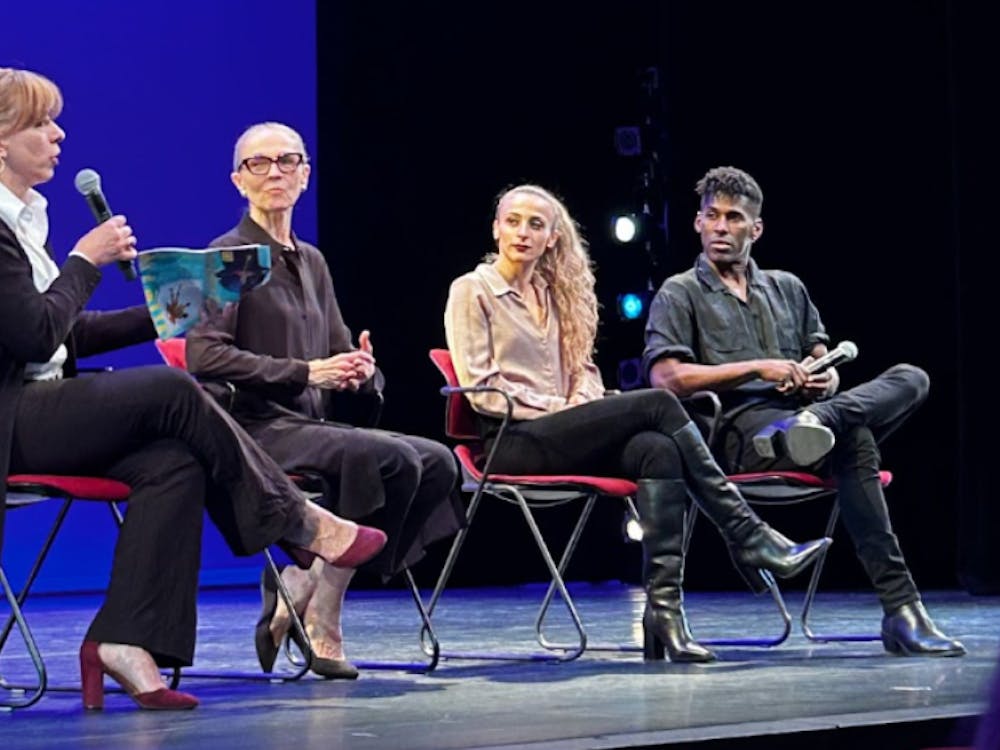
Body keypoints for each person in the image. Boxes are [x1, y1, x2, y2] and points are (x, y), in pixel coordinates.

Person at [0, 67, 387, 710]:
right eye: (41, 124)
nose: (58, 134)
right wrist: (85, 263)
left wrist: (173, 303)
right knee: (174, 390)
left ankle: (126, 640)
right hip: (13, 417)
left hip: (41, 408)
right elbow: (34, 337)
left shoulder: (25, 218)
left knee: (172, 461)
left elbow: (67, 334)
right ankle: (303, 524)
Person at [444, 183, 830, 663]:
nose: (522, 233)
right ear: (496, 229)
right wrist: (562, 409)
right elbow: (482, 390)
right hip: (509, 440)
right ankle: (747, 534)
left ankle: (663, 614)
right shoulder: (472, 289)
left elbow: (584, 372)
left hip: (564, 431)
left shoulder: (556, 294)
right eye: (513, 221)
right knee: (659, 403)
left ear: (552, 240)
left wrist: (581, 402)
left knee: (658, 448)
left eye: (536, 224)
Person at [643, 165, 964, 657]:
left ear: (757, 228)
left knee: (911, 378)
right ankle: (903, 609)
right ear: (698, 223)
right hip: (740, 435)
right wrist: (761, 369)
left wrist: (826, 376)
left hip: (806, 422)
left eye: (733, 218)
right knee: (855, 440)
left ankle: (820, 423)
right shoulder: (679, 292)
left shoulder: (786, 287)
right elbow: (666, 380)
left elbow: (820, 354)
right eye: (712, 217)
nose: (721, 228)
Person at [186, 122, 464, 679]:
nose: (274, 173)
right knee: (382, 458)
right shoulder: (230, 256)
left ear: (305, 174)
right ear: (238, 180)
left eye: (286, 161)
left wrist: (362, 371)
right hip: (257, 428)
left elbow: (341, 352)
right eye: (258, 164)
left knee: (437, 461)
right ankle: (324, 612)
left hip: (313, 425)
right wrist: (304, 371)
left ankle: (306, 577)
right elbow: (203, 356)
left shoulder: (312, 260)